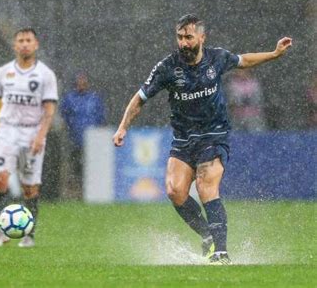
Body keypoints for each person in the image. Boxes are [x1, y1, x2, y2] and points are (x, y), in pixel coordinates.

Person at [113, 14, 292, 264]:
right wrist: (123, 127)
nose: (184, 43)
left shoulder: (216, 58)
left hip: (214, 135)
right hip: (184, 139)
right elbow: (140, 97)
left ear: (201, 37)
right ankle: (208, 235)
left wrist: (273, 54)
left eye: (189, 37)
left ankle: (221, 252)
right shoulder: (167, 67)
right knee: (174, 190)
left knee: (206, 186)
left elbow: (244, 60)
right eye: (179, 37)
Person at [0, 27, 58, 248]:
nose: (24, 44)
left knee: (29, 187)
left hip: (32, 132)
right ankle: (2, 231)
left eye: (28, 40)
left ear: (36, 45)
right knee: (0, 180)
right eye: (20, 40)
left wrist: (40, 137)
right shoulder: (4, 72)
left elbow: (49, 110)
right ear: (14, 45)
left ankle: (29, 235)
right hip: (7, 131)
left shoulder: (45, 75)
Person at [60, 72, 106, 197]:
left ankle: (92, 192)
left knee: (91, 167)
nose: (82, 85)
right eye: (79, 82)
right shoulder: (70, 98)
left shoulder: (94, 99)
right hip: (74, 140)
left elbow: (100, 118)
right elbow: (64, 116)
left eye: (84, 82)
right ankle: (76, 193)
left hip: (92, 142)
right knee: (75, 168)